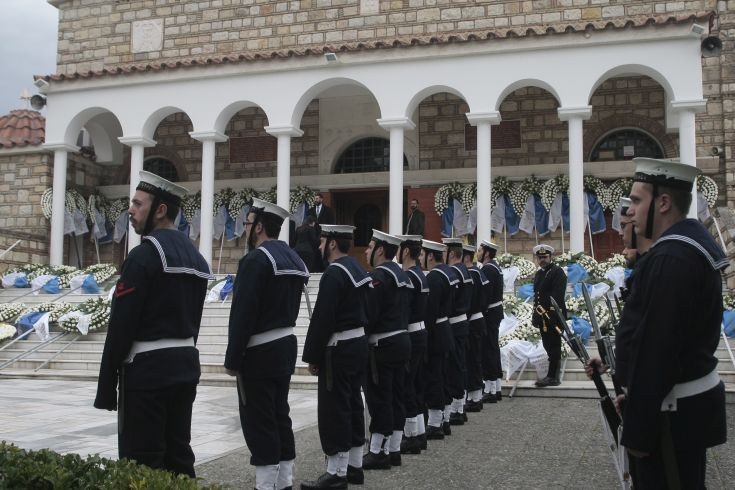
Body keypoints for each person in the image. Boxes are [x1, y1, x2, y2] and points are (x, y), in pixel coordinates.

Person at [94, 170, 213, 477]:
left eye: (137, 204)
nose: (130, 210)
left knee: (143, 460)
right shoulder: (198, 260)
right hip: (185, 364)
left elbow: (122, 326)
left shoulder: (144, 255)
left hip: (148, 372)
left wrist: (106, 387)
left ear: (160, 210)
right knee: (179, 454)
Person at [619, 158, 727, 488]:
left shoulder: (671, 258)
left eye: (637, 201)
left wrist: (637, 429)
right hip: (677, 408)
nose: (630, 212)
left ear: (663, 203)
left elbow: (658, 350)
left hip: (669, 416)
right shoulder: (684, 247)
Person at [225, 197, 309, 490]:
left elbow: (243, 313)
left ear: (259, 226)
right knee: (279, 414)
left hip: (258, 352)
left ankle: (265, 484)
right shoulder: (293, 258)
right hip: (284, 346)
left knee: (258, 419)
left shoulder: (256, 260)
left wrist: (232, 359)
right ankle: (284, 479)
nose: (245, 229)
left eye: (247, 224)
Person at [301, 225, 371, 490]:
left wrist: (313, 355)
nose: (319, 246)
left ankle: (335, 473)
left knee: (335, 410)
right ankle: (354, 466)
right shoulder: (357, 269)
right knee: (353, 404)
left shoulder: (334, 273)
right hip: (358, 344)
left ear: (331, 244)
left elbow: (323, 319)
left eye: (322, 241)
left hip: (339, 348)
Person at [362, 229, 412, 470]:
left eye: (370, 247)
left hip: (383, 344)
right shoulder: (401, 273)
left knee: (379, 398)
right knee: (396, 397)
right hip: (401, 340)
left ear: (381, 250)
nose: (366, 251)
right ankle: (393, 449)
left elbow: (370, 314)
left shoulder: (379, 275)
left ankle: (376, 452)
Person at [396, 235, 429, 454]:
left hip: (411, 332)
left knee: (407, 385)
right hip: (420, 331)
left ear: (406, 251)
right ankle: (419, 433)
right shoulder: (420, 275)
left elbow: (403, 309)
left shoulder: (408, 277)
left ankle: (412, 435)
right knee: (416, 384)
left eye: (399, 249)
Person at [420, 239, 456, 440]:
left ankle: (434, 424)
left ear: (430, 256)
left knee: (434, 377)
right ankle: (444, 419)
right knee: (442, 376)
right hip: (445, 329)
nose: (420, 258)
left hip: (436, 332)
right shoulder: (447, 273)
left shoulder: (434, 277)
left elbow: (430, 311)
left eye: (422, 254)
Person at [442, 238, 473, 425]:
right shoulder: (464, 270)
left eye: (444, 251)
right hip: (462, 321)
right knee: (459, 364)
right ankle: (459, 406)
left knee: (454, 367)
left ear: (451, 254)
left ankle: (456, 408)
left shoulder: (454, 272)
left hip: (454, 322)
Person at [530, 244, 567, 388]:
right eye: (540, 258)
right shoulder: (540, 273)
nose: (542, 260)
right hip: (542, 316)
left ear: (551, 257)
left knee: (554, 346)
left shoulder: (558, 272)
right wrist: (536, 315)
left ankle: (553, 377)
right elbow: (537, 295)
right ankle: (551, 375)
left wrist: (551, 315)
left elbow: (557, 295)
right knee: (547, 345)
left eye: (545, 257)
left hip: (553, 316)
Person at [462, 243, 489, 412]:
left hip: (472, 319)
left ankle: (475, 397)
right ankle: (475, 396)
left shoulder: (470, 274)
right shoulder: (479, 273)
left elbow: (469, 301)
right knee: (475, 358)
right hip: (479, 317)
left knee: (472, 360)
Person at [478, 240, 504, 403]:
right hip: (495, 312)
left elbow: (484, 295)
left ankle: (490, 389)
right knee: (493, 348)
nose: (478, 253)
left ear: (487, 253)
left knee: (488, 350)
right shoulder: (495, 267)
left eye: (480, 250)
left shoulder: (488, 269)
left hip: (489, 313)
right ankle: (497, 387)